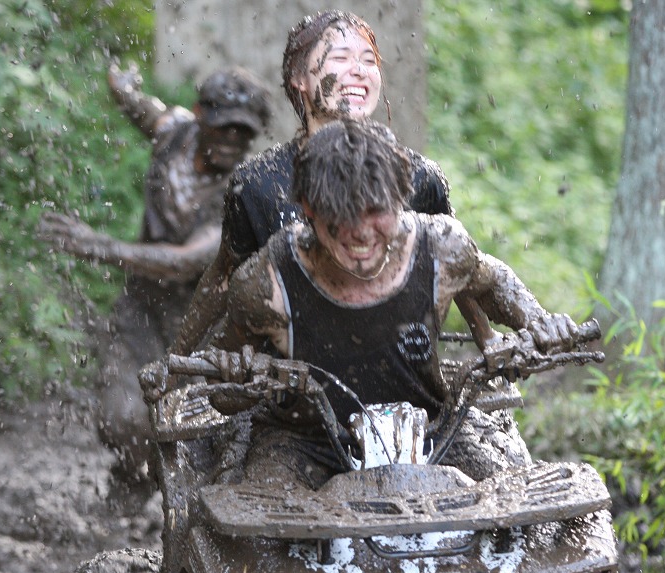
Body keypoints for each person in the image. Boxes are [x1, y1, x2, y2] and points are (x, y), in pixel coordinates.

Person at [213, 118, 580, 489]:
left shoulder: (443, 249)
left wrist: (537, 322)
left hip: (431, 430)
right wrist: (236, 376)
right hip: (305, 443)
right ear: (308, 206)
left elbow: (493, 279)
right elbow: (222, 396)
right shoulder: (266, 283)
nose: (360, 232)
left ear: (401, 197)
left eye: (375, 210)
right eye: (341, 214)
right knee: (260, 515)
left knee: (510, 500)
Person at [170, 9, 456, 356]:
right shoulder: (258, 184)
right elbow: (222, 280)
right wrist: (177, 362)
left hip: (398, 372)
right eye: (341, 57)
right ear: (298, 77)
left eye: (369, 60)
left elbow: (461, 266)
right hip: (290, 377)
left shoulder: (419, 178)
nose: (359, 69)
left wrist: (490, 339)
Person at [40, 62, 272, 486]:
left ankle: (166, 489)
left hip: (201, 326)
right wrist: (122, 86)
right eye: (223, 127)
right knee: (119, 417)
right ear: (200, 115)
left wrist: (100, 246)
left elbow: (185, 261)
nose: (231, 141)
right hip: (142, 308)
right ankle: (135, 478)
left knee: (189, 431)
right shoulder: (175, 133)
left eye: (243, 133)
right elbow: (143, 109)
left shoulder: (245, 188)